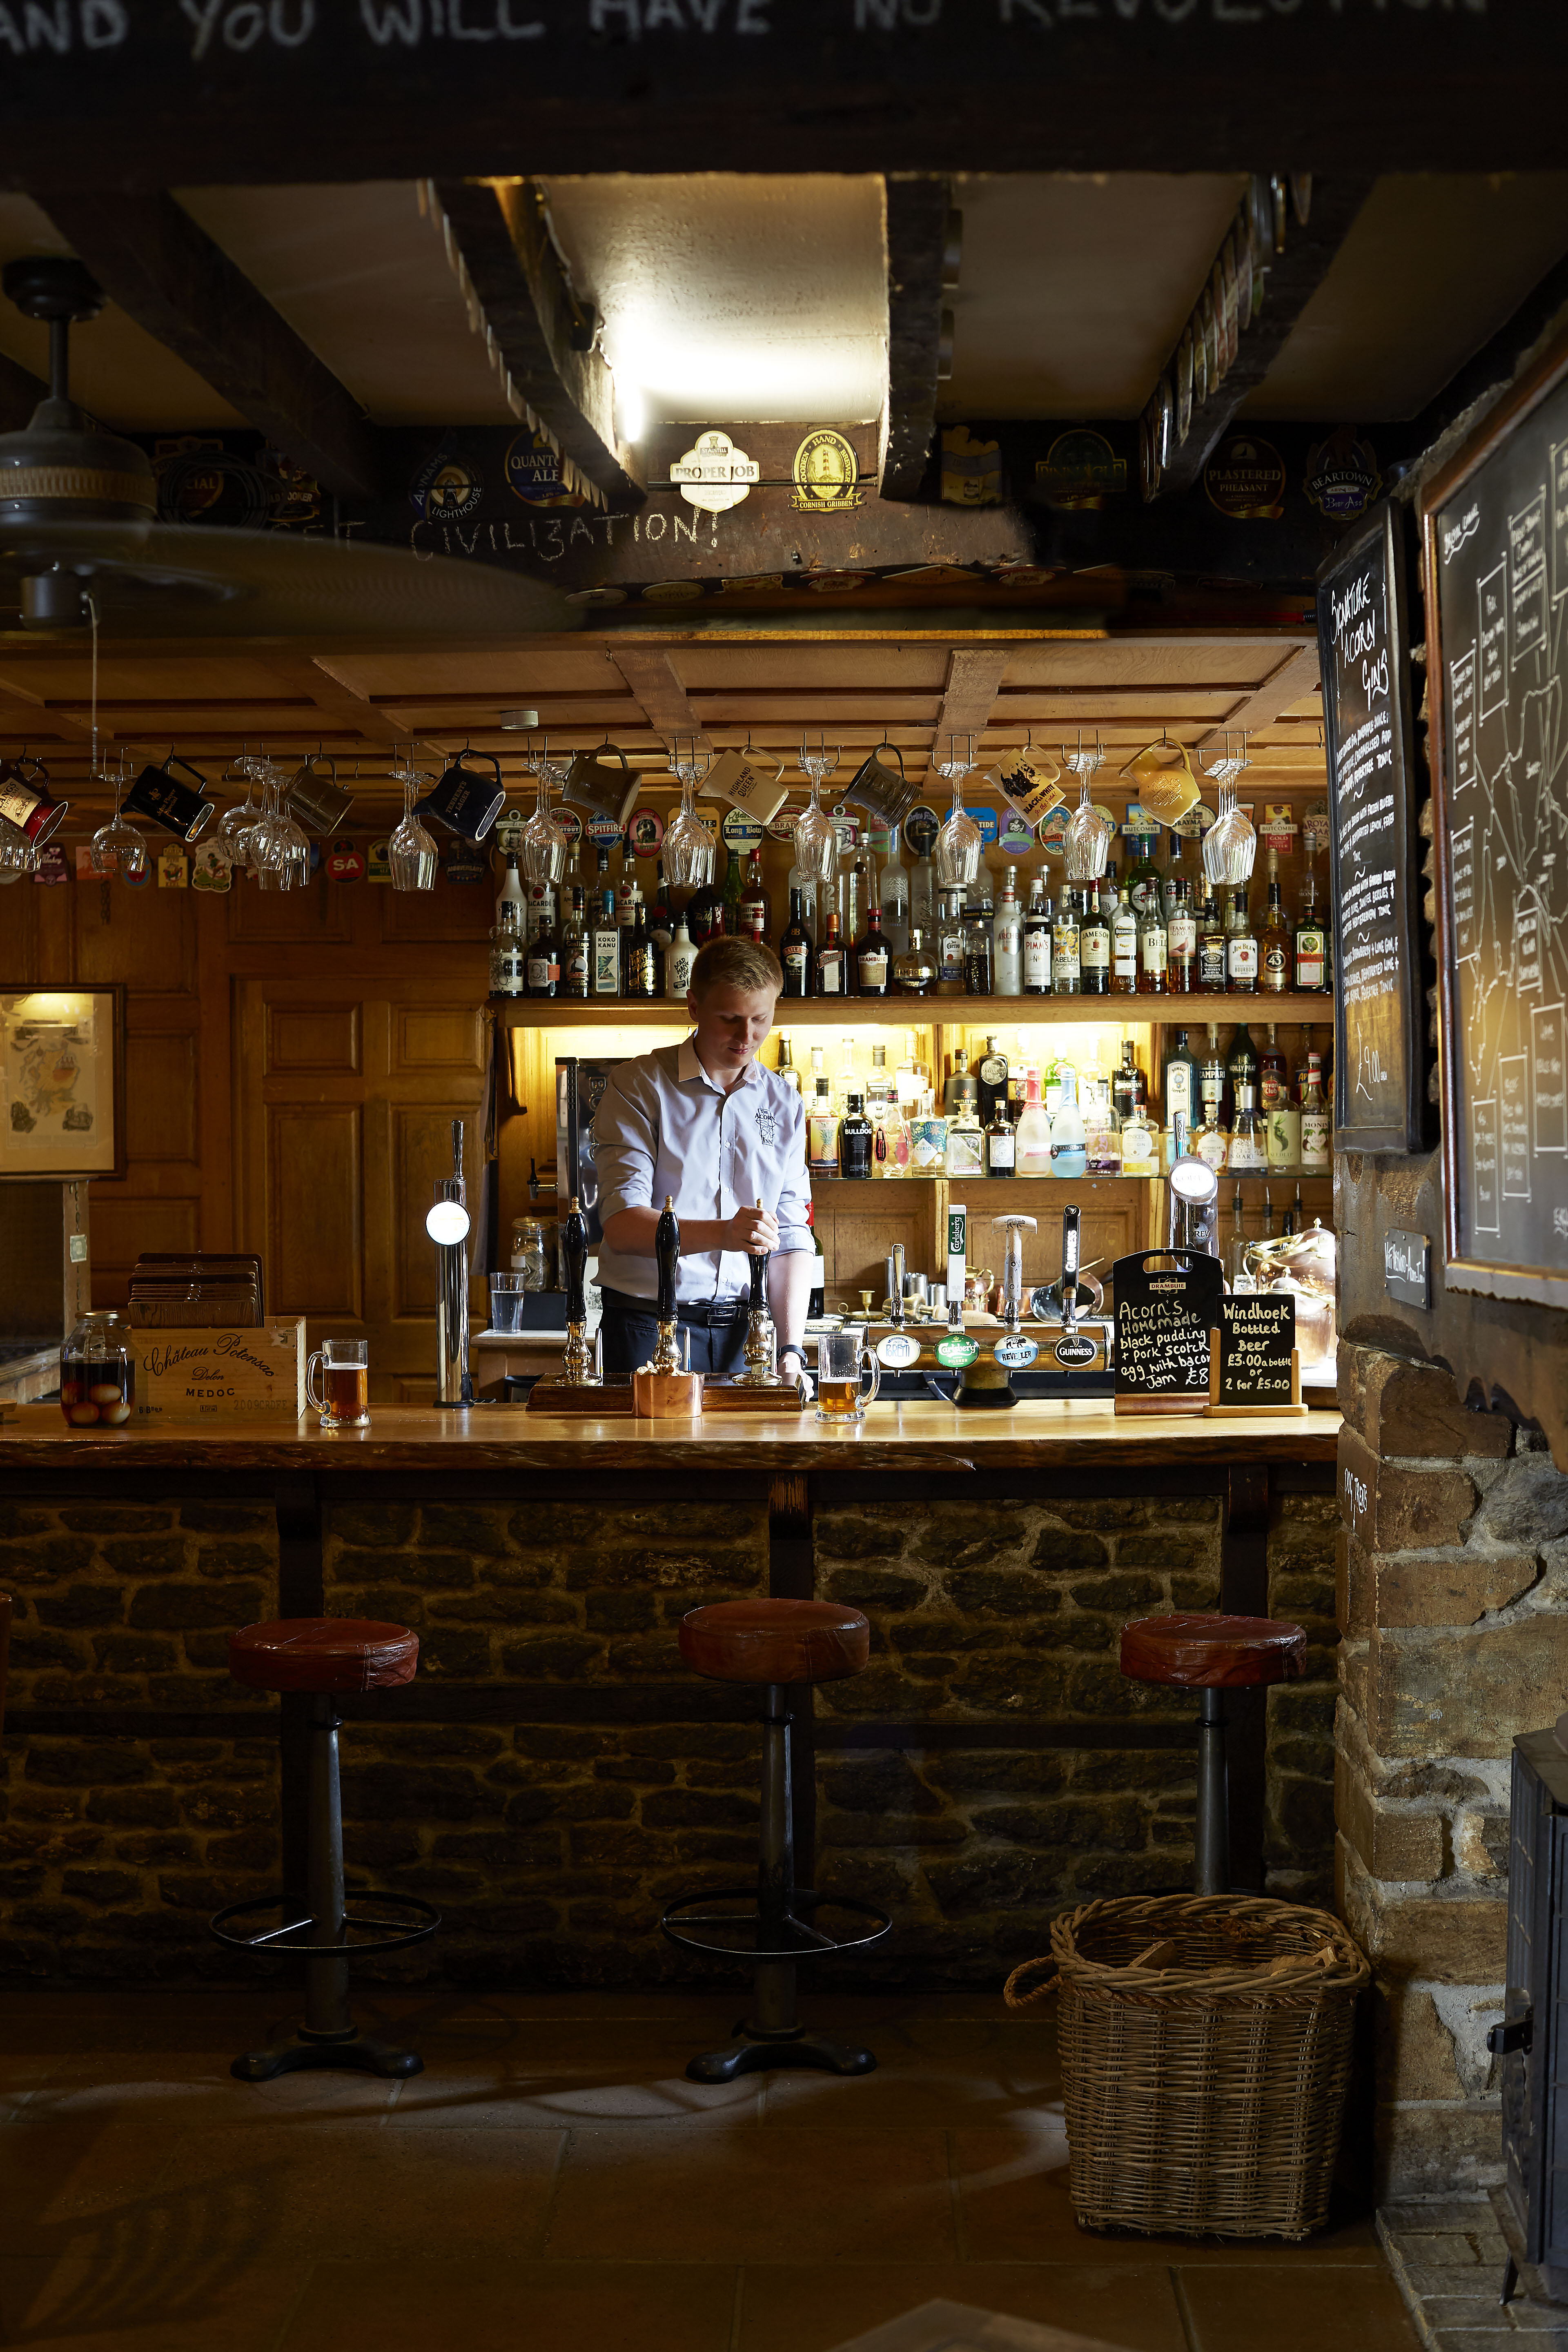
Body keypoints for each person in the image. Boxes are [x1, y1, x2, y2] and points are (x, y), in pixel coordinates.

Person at [594, 934, 815, 1383]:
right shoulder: (638, 1086)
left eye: (760, 1019)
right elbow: (620, 1225)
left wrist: (791, 1348)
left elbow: (791, 1235)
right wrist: (725, 1233)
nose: (746, 1037)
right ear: (694, 1006)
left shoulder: (784, 1102)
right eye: (730, 1019)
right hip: (646, 1325)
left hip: (748, 1333)